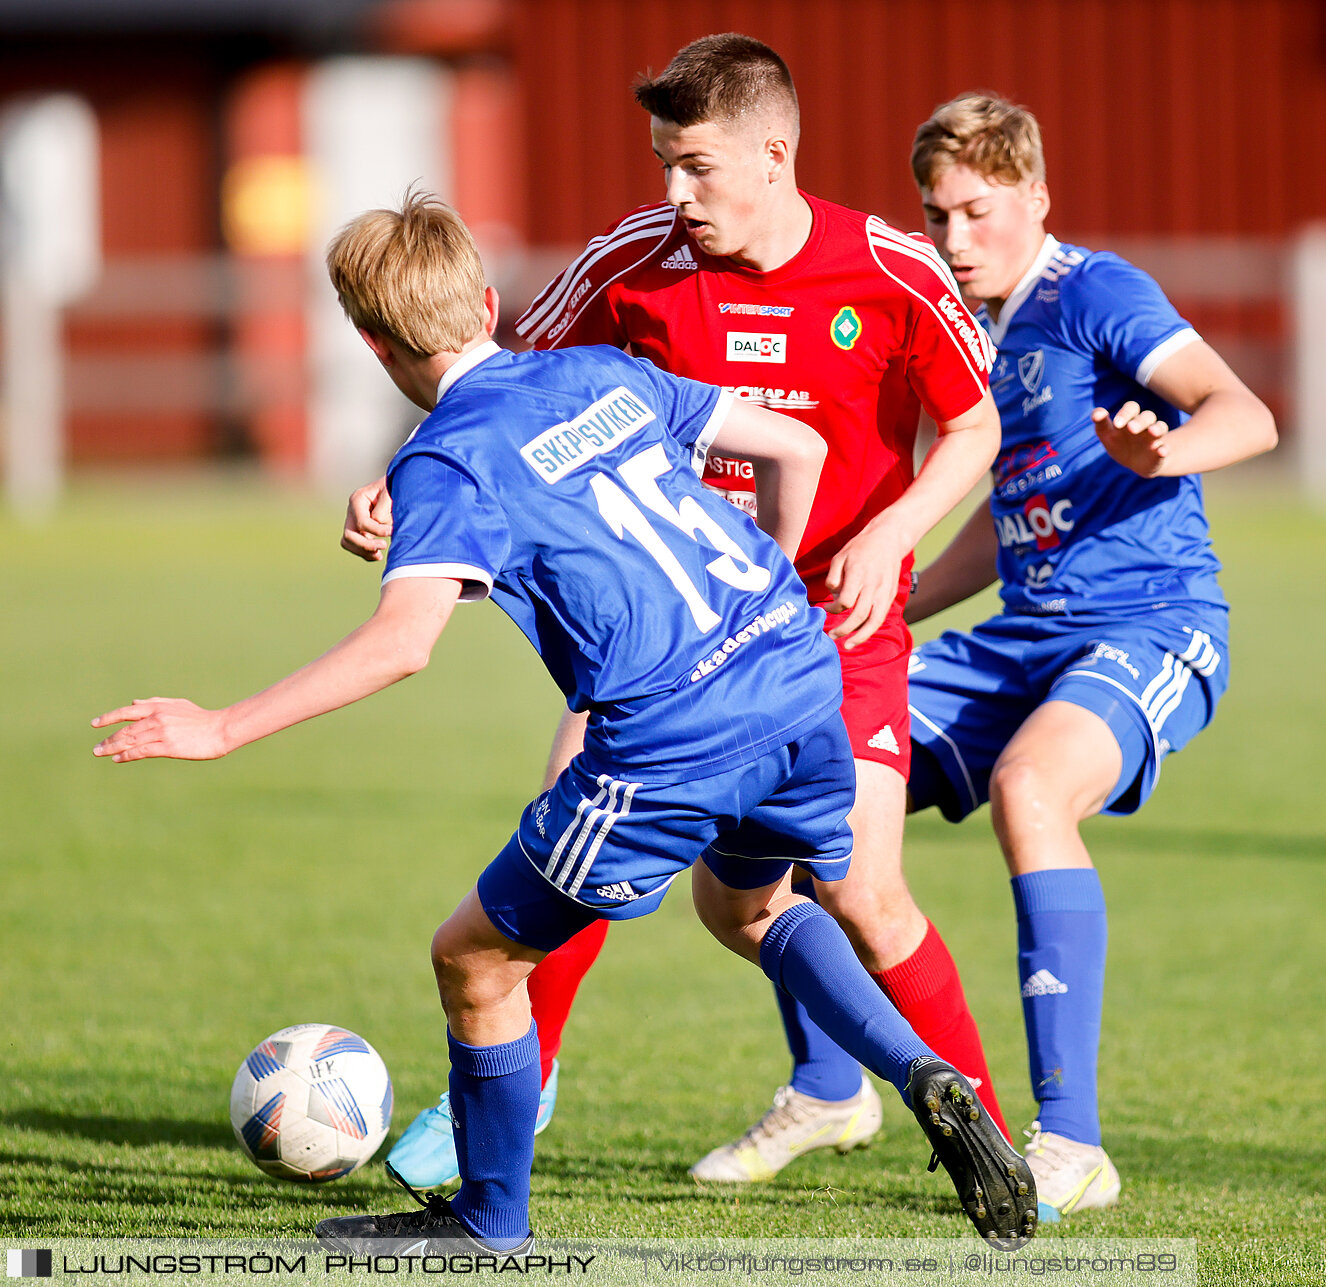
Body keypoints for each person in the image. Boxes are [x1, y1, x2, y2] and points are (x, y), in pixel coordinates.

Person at [92, 192, 1035, 1252]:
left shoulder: (444, 458)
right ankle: (921, 1069)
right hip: (799, 669)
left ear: (371, 342)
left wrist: (220, 726)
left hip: (676, 732)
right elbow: (794, 448)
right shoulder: (598, 373)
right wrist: (763, 592)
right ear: (488, 302)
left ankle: (489, 1223)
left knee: (477, 961)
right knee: (750, 911)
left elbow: (402, 644)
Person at [344, 33, 1011, 1189]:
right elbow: (489, 378)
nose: (673, 193)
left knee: (858, 887)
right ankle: (505, 1096)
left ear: (774, 153)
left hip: (836, 629)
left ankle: (988, 1133)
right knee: (573, 815)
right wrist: (405, 486)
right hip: (667, 632)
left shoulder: (892, 271)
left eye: (696, 167)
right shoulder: (631, 264)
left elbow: (977, 426)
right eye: (662, 163)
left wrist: (894, 534)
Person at [901, 93, 1278, 1220]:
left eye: (976, 211)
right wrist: (891, 601)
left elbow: (1242, 412)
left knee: (1032, 789)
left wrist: (1162, 454)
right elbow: (1010, 518)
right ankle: (829, 1088)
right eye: (936, 216)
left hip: (1148, 625)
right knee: (824, 776)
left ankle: (1070, 1141)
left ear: (1035, 198)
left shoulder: (1093, 291)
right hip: (1022, 638)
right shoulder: (980, 328)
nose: (955, 239)